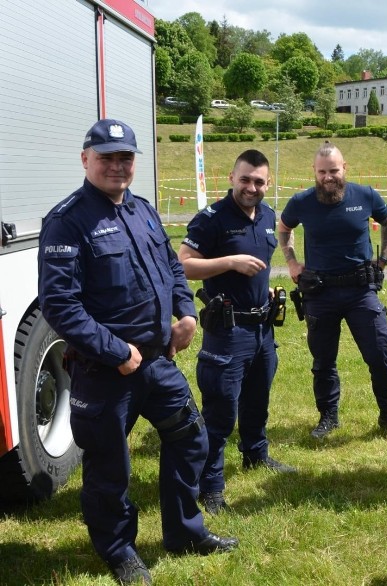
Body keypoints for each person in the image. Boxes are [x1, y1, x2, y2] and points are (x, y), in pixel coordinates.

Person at [37, 119, 237, 586]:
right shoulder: (67, 221)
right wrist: (114, 350)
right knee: (110, 467)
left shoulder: (142, 210)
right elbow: (60, 305)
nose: (117, 165)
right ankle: (119, 549)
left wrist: (186, 312)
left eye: (125, 157)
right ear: (85, 159)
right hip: (106, 370)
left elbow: (170, 265)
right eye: (106, 156)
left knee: (191, 439)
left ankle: (185, 532)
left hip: (157, 361)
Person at [178, 149, 295, 516]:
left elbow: (272, 254)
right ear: (231, 178)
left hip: (262, 328)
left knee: (258, 399)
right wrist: (229, 262)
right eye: (245, 179)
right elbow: (182, 265)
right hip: (227, 332)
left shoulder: (268, 216)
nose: (251, 187)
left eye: (259, 181)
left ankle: (255, 455)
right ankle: (210, 486)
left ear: (268, 183)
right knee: (220, 411)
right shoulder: (211, 219)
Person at [278, 142, 387, 441]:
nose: (328, 177)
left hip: (360, 291)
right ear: (314, 172)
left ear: (344, 168)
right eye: (322, 171)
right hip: (320, 292)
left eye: (333, 170)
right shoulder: (301, 202)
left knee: (379, 354)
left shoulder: (365, 195)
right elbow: (284, 228)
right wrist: (291, 262)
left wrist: (384, 258)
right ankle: (328, 417)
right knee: (323, 360)